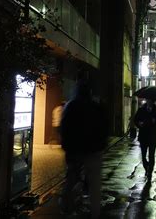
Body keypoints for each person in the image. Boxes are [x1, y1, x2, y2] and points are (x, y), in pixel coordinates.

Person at [60, 80, 108, 218]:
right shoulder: (96, 107)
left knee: (71, 179)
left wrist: (67, 148)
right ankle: (95, 213)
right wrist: (101, 145)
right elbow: (104, 128)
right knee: (94, 183)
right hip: (93, 151)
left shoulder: (71, 107)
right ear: (90, 93)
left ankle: (67, 208)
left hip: (75, 151)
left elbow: (65, 129)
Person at [134, 99, 156, 180]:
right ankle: (146, 168)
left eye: (151, 100)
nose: (150, 102)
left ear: (153, 101)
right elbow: (135, 120)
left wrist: (155, 121)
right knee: (143, 156)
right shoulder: (141, 109)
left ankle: (150, 173)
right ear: (147, 101)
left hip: (152, 137)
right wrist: (139, 123)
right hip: (143, 136)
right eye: (148, 100)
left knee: (151, 156)